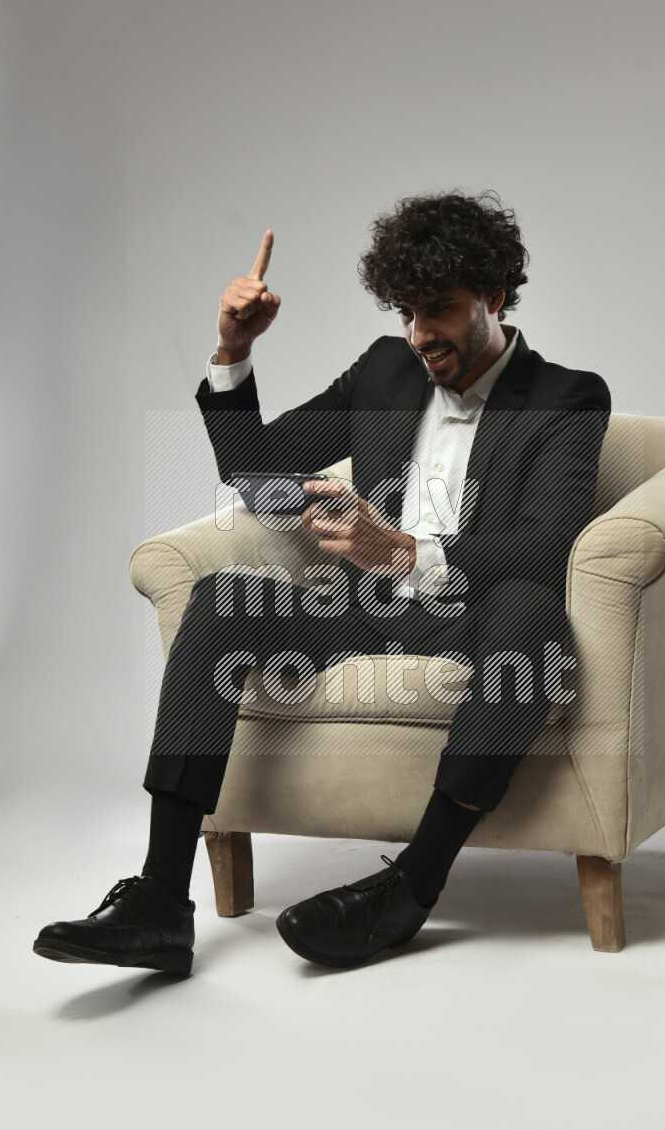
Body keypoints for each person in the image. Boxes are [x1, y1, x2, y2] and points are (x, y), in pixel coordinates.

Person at [33, 190, 610, 975]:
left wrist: (403, 551)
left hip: (474, 618)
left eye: (439, 310)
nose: (420, 334)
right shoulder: (386, 371)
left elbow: (546, 547)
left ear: (495, 295)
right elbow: (258, 477)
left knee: (532, 614)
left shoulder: (566, 396)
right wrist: (233, 353)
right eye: (407, 312)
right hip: (363, 612)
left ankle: (413, 883)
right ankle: (161, 897)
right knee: (221, 599)